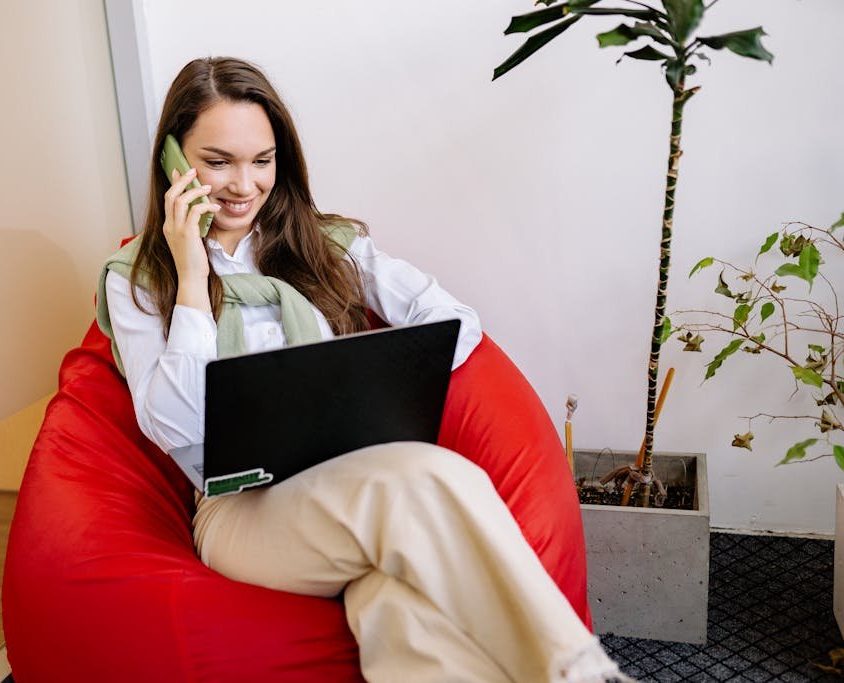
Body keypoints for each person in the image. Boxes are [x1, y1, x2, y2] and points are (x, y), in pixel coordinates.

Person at [98, 56, 627, 683]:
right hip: (239, 514)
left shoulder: (324, 243)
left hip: (356, 479)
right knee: (424, 476)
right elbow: (177, 426)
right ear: (174, 162)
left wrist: (386, 375)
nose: (244, 185)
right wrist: (192, 276)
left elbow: (452, 321)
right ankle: (578, 672)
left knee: (396, 603)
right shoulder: (139, 281)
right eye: (218, 162)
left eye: (262, 161)